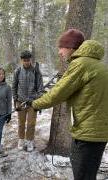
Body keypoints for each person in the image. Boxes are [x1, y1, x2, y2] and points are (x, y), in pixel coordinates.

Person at [30, 29, 108, 180]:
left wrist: (35, 104)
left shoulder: (80, 64)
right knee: (88, 173)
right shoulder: (98, 64)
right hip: (98, 131)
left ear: (71, 47)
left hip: (88, 132)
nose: (59, 52)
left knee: (82, 175)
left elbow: (58, 93)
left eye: (61, 47)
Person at [12, 50, 43, 152]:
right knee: (21, 123)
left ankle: (29, 140)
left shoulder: (36, 71)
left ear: (31, 60)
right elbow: (14, 86)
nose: (26, 62)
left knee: (31, 123)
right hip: (20, 101)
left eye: (28, 60)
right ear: (21, 60)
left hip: (32, 102)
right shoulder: (17, 71)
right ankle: (21, 139)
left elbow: (40, 88)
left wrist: (38, 99)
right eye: (24, 60)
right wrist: (15, 100)